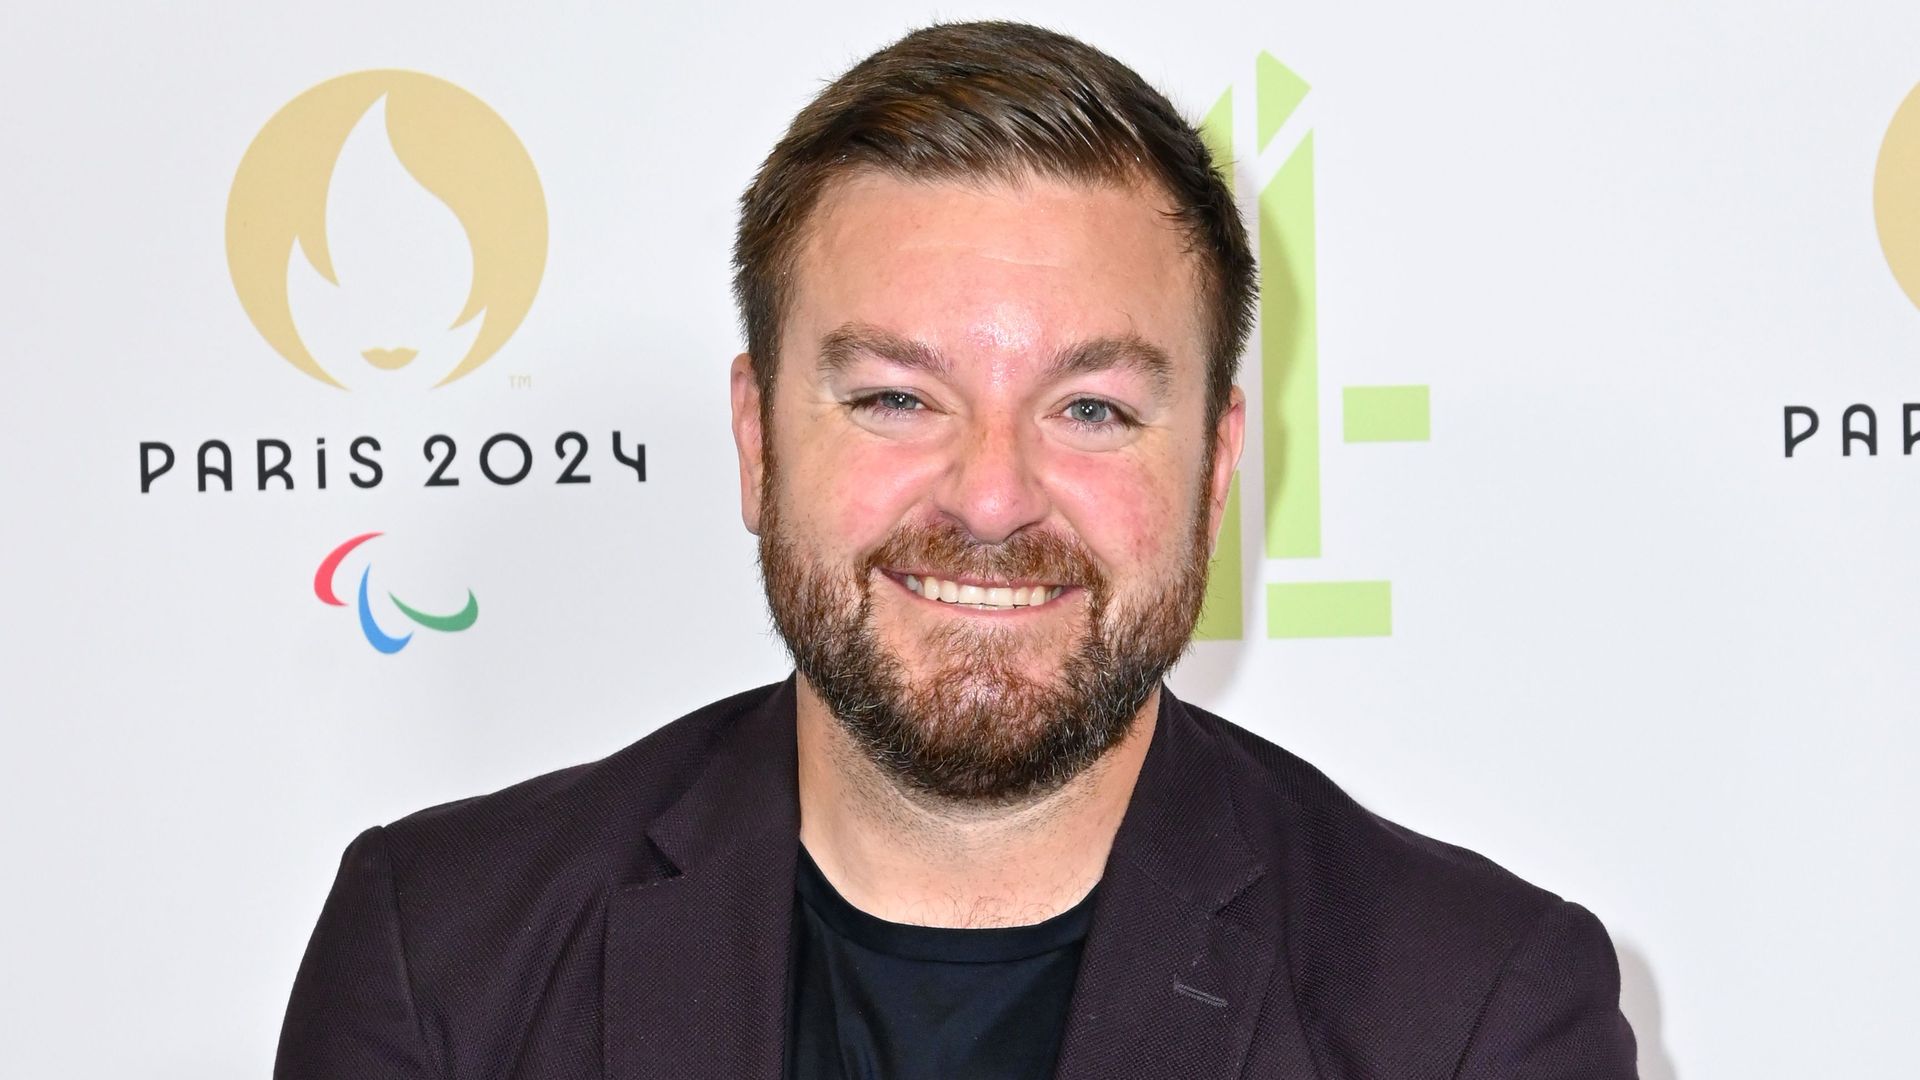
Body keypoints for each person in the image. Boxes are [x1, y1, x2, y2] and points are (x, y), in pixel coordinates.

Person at [275, 20, 1638, 1080]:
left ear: (1218, 468)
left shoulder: (1473, 1012)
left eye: (1092, 408)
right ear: (757, 440)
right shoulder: (440, 957)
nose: (992, 499)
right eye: (896, 398)